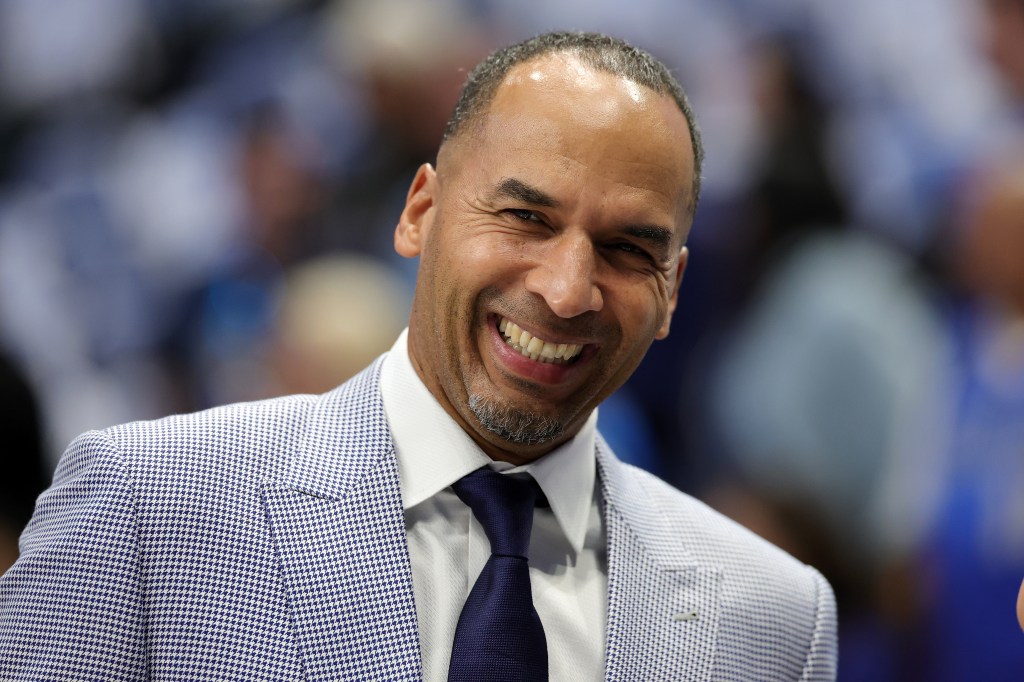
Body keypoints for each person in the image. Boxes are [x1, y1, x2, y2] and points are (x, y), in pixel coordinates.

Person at [0, 31, 837, 680]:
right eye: (526, 218)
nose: (568, 288)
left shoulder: (774, 619)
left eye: (627, 249)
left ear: (673, 292)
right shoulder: (147, 510)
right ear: (419, 214)